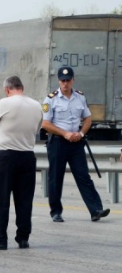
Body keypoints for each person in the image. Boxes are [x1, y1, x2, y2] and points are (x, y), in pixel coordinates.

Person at [0, 76, 43, 251]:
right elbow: (37, 129)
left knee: (0, 199)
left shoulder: (5, 103)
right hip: (27, 157)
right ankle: (23, 238)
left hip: (5, 156)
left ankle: (0, 239)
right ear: (22, 87)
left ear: (7, 89)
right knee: (24, 200)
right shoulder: (36, 106)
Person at [42, 66, 110, 223]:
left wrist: (80, 134)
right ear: (59, 81)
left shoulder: (80, 97)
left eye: (68, 80)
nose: (65, 83)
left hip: (76, 142)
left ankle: (95, 210)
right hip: (58, 142)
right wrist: (65, 133)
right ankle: (56, 212)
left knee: (83, 176)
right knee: (56, 178)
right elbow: (46, 124)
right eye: (62, 80)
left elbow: (87, 119)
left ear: (73, 80)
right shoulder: (50, 99)